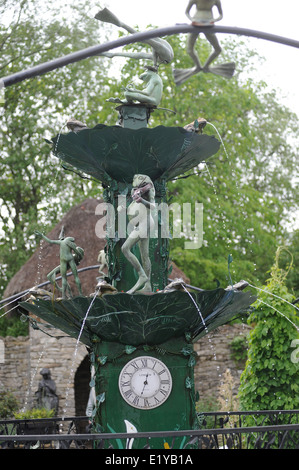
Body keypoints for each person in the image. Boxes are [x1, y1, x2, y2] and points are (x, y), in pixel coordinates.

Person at [173, 0, 235, 85]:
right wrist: (192, 20)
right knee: (189, 49)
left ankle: (206, 66)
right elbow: (187, 12)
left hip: (208, 24)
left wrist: (213, 20)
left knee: (218, 49)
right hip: (195, 23)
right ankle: (198, 67)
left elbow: (221, 15)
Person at [121, 174, 155, 294]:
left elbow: (153, 206)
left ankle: (142, 275)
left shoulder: (149, 190)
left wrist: (142, 200)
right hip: (141, 223)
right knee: (144, 256)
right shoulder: (136, 191)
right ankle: (148, 286)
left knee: (125, 248)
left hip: (144, 223)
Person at [34, 227, 84, 299]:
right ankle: (80, 294)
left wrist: (42, 235)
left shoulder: (61, 242)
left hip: (63, 260)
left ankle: (63, 295)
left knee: (64, 278)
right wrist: (79, 258)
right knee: (76, 276)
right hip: (70, 259)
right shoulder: (70, 243)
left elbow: (50, 241)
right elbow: (77, 253)